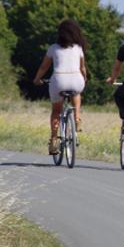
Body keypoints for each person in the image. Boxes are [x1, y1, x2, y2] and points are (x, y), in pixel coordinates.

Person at [33, 19, 88, 155]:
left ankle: (53, 140)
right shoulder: (78, 48)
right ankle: (77, 116)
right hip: (76, 79)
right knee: (76, 92)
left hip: (58, 80)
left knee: (56, 111)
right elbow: (82, 68)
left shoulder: (53, 48)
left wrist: (37, 79)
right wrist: (84, 79)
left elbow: (44, 67)